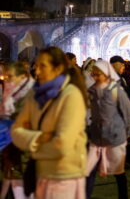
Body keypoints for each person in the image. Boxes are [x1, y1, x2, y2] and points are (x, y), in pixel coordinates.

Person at [11, 46, 88, 199]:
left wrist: (31, 141)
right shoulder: (35, 94)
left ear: (58, 68)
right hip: (41, 173)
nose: (36, 71)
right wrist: (40, 138)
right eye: (36, 65)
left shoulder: (71, 96)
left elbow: (62, 145)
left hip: (64, 176)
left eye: (43, 66)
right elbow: (15, 130)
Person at [86, 60, 130, 199]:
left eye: (98, 74)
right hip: (96, 136)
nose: (95, 77)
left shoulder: (116, 90)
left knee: (118, 172)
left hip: (114, 137)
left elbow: (129, 115)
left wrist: (124, 135)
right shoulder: (92, 91)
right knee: (89, 169)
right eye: (93, 74)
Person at [0, 62, 35, 199]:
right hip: (13, 144)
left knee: (25, 180)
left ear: (22, 76)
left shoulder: (31, 94)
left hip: (27, 144)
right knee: (15, 178)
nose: (8, 79)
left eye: (11, 76)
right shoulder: (13, 92)